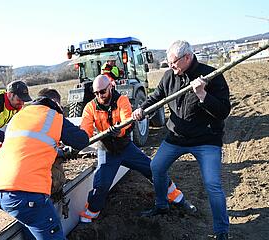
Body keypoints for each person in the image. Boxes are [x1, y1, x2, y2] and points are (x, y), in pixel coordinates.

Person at [132, 40, 231, 240]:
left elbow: (223, 111)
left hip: (206, 140)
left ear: (187, 57)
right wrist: (142, 109)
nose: (170, 66)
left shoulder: (212, 76)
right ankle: (161, 205)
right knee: (157, 167)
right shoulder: (170, 76)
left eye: (174, 62)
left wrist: (203, 94)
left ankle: (221, 231)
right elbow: (157, 96)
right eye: (169, 62)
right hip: (176, 137)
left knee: (212, 184)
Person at [79, 74, 197, 223]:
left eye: (102, 91)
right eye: (95, 93)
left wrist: (119, 131)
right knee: (101, 184)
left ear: (110, 87)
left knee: (153, 169)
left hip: (125, 147)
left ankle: (178, 199)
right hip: (107, 150)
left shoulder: (122, 100)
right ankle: (89, 215)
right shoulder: (90, 107)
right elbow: (86, 129)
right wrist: (80, 138)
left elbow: (127, 121)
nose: (99, 95)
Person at [0, 88, 89, 240]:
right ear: (55, 103)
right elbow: (82, 140)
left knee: (32, 226)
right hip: (26, 193)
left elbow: (29, 147)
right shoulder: (53, 116)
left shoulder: (19, 116)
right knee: (52, 234)